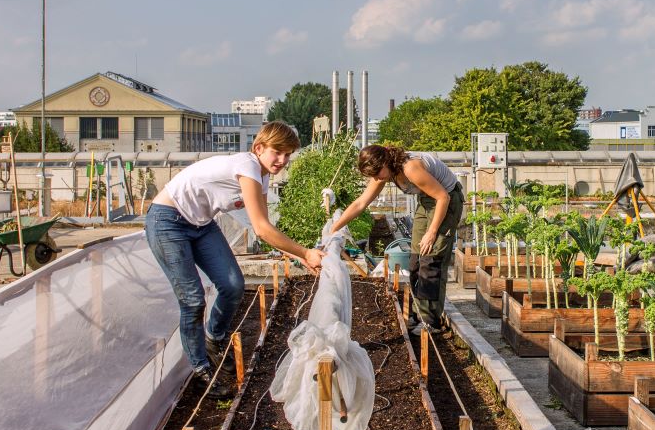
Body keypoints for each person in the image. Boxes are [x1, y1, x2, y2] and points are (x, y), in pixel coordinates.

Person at [146, 121, 323, 398]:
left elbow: (262, 229)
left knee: (232, 284)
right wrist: (305, 252)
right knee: (192, 299)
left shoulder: (262, 176)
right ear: (259, 148)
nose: (282, 160)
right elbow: (263, 228)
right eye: (277, 152)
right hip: (168, 220)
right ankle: (201, 367)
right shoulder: (248, 166)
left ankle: (214, 338)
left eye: (288, 154)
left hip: (201, 224)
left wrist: (300, 258)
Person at [331, 144, 463, 334]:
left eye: (377, 173)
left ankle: (432, 322)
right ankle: (419, 315)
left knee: (431, 259)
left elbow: (443, 197)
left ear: (386, 162)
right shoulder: (385, 171)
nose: (377, 179)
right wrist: (335, 228)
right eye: (373, 176)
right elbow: (361, 203)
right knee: (416, 260)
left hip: (447, 200)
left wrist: (432, 232)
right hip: (427, 202)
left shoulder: (410, 168)